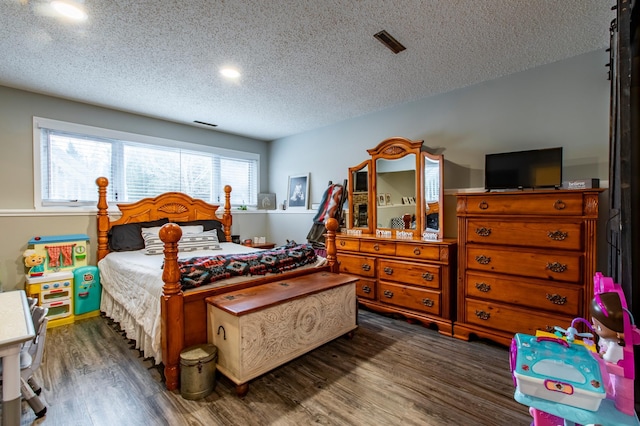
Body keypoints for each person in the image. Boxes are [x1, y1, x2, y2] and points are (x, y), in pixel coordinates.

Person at [591, 292, 625, 364]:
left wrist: (602, 355)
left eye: (599, 327)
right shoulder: (607, 339)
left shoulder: (615, 345)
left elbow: (609, 357)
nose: (593, 327)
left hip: (612, 368)